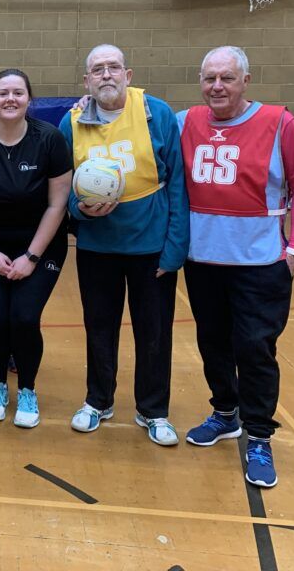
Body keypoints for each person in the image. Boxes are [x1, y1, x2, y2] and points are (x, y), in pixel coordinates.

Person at [179, 46, 294, 488]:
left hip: (260, 264)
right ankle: (225, 412)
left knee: (255, 349)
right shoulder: (187, 121)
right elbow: (141, 123)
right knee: (212, 342)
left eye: (227, 78)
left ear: (245, 81)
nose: (217, 86)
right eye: (210, 78)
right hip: (203, 262)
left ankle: (259, 435)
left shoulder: (279, 122)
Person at [59, 45, 188, 446]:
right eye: (97, 69)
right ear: (86, 81)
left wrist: (175, 248)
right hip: (98, 248)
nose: (106, 75)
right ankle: (98, 401)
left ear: (128, 74)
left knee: (154, 332)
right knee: (99, 328)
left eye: (113, 67)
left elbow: (180, 184)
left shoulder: (157, 113)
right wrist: (79, 210)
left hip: (151, 248)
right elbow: (61, 187)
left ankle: (153, 410)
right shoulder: (73, 120)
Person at [0, 69, 71, 429]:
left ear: (28, 100)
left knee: (22, 317)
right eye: (3, 93)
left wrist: (31, 257)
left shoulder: (49, 139)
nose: (10, 99)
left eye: (18, 93)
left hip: (41, 246)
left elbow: (57, 204)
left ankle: (28, 391)